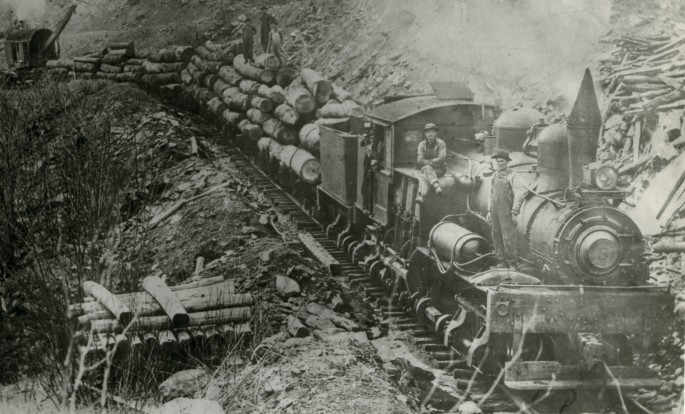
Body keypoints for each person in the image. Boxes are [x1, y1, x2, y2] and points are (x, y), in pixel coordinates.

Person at [487, 150, 524, 268]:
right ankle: (501, 261)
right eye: (498, 161)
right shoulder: (494, 175)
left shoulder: (513, 175)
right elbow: (491, 194)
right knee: (496, 235)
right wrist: (489, 211)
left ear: (507, 162)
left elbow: (519, 194)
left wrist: (514, 211)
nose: (500, 163)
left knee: (508, 236)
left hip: (506, 210)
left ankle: (512, 262)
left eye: (502, 161)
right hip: (495, 210)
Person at [416, 123, 446, 204]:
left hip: (439, 169)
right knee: (426, 170)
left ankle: (422, 196)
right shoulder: (421, 144)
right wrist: (431, 163)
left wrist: (428, 162)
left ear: (436, 133)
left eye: (432, 132)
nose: (430, 134)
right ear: (425, 134)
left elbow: (441, 158)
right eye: (428, 132)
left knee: (425, 171)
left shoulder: (441, 143)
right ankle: (436, 186)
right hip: (428, 169)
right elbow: (419, 160)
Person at [360, 123, 384, 212]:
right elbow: (362, 144)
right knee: (365, 188)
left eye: (374, 138)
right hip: (369, 170)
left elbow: (384, 160)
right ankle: (366, 206)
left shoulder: (381, 146)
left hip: (377, 169)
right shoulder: (369, 147)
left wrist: (378, 163)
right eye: (371, 138)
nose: (373, 140)